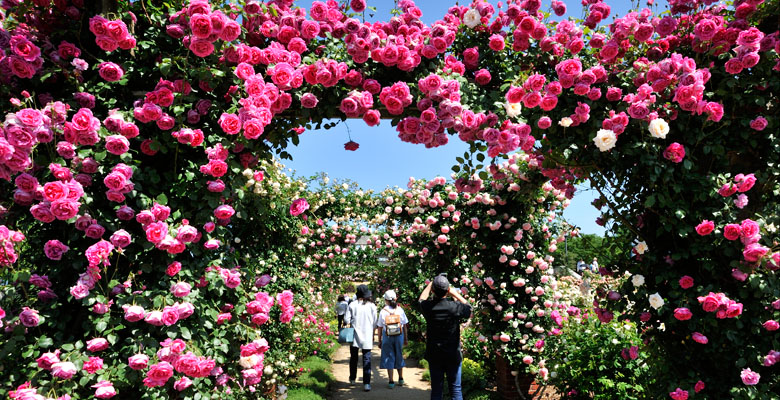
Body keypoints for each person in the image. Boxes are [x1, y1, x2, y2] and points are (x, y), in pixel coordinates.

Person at [418, 274, 472, 400]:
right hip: (453, 354)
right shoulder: (455, 307)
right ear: (447, 290)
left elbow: (421, 299)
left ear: (433, 291)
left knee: (436, 390)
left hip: (435, 354)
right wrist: (454, 293)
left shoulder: (428, 307)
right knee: (456, 389)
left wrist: (431, 283)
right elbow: (469, 308)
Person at [344, 284, 377, 392]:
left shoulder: (352, 305)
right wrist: (372, 332)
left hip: (354, 336)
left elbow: (346, 320)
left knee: (353, 358)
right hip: (367, 335)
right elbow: (375, 322)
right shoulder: (372, 306)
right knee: (366, 359)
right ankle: (366, 383)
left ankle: (352, 378)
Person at [377, 289, 408, 389]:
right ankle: (401, 378)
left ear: (386, 300)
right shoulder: (400, 310)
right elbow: (404, 326)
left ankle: (391, 381)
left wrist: (379, 340)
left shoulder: (383, 311)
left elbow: (380, 327)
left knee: (388, 356)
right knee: (399, 355)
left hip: (388, 336)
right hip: (399, 336)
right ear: (396, 298)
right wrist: (406, 339)